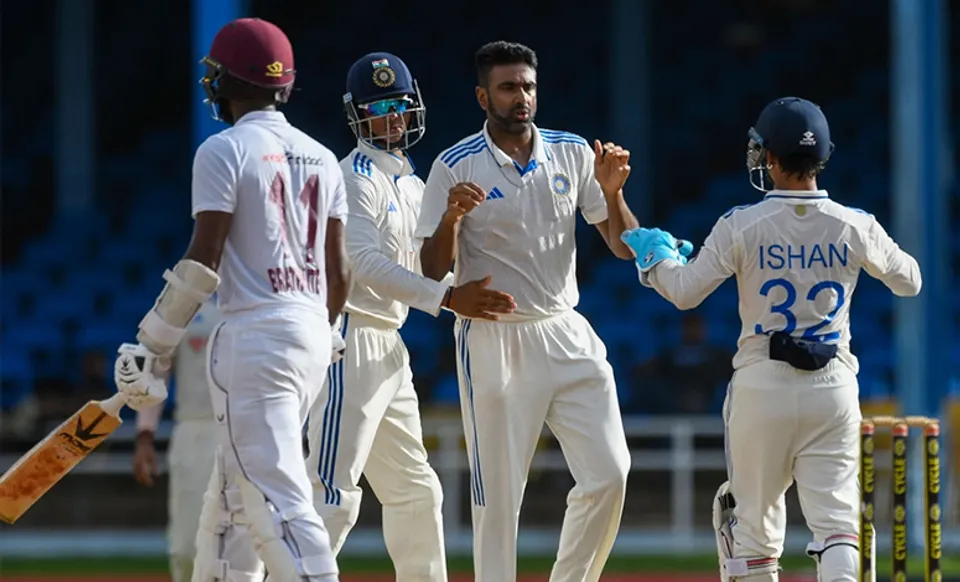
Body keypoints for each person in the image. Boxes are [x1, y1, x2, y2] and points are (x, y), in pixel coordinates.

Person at [620, 96, 922, 582]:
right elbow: (910, 281)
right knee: (839, 527)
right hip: (833, 386)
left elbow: (684, 293)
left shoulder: (741, 223)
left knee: (754, 531)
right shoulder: (855, 224)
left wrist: (657, 258)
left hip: (762, 386)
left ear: (772, 158)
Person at [113, 17, 349, 582]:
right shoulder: (323, 156)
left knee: (277, 503)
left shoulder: (223, 150)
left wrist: (153, 343)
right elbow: (340, 272)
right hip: (313, 335)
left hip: (255, 341)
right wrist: (322, 335)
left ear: (229, 81)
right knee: (229, 513)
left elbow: (203, 260)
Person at [414, 40, 639, 582]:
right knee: (497, 498)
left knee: (611, 473)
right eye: (509, 87)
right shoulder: (453, 164)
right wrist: (451, 219)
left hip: (565, 329)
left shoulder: (572, 152)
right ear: (482, 96)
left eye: (528, 86)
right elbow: (430, 270)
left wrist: (613, 194)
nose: (522, 97)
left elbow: (623, 246)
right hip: (495, 337)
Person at [305, 52, 515, 581]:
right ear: (357, 115)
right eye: (380, 107)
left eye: (400, 104)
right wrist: (447, 298)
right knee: (331, 490)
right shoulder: (353, 177)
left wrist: (452, 231)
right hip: (346, 337)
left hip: (388, 345)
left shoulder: (413, 185)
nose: (394, 117)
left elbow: (427, 266)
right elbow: (362, 263)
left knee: (417, 491)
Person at [132, 296, 222, 582]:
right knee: (186, 546)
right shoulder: (184, 303)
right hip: (194, 431)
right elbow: (156, 376)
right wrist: (145, 436)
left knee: (253, 541)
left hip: (248, 432)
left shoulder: (261, 297)